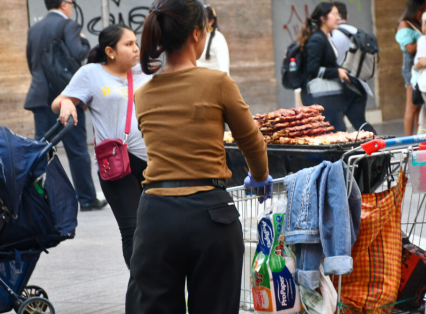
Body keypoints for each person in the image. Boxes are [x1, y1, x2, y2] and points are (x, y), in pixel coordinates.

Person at [125, 1, 271, 313]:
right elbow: (253, 143)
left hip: (156, 216)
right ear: (196, 34)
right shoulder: (217, 82)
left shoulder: (143, 93)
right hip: (211, 216)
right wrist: (260, 177)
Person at [52, 25, 151, 268]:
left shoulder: (146, 73)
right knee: (132, 231)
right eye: (128, 44)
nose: (136, 48)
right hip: (117, 165)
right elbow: (59, 101)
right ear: (110, 51)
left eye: (135, 43)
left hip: (153, 163)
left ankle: (156, 288)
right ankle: (141, 288)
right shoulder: (91, 74)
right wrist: (66, 103)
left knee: (156, 230)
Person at [25, 0, 106, 211]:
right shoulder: (69, 25)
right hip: (65, 96)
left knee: (39, 149)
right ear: (63, 5)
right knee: (77, 149)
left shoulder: (34, 28)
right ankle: (87, 198)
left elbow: (30, 61)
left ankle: (34, 199)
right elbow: (80, 54)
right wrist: (85, 42)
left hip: (40, 95)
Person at [299, 3, 350, 131]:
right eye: (334, 14)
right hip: (321, 99)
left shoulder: (325, 37)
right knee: (329, 136)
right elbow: (312, 69)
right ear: (323, 18)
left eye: (339, 14)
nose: (338, 18)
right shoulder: (317, 39)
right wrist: (336, 72)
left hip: (329, 100)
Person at [330, 1, 376, 133]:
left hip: (340, 85)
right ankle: (377, 147)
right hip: (359, 84)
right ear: (347, 16)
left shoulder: (332, 35)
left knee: (336, 125)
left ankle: (341, 153)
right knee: (360, 122)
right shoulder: (358, 33)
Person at [396, 0, 426, 136]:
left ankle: (418, 139)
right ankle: (408, 139)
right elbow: (409, 48)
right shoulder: (404, 24)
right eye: (421, 10)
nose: (422, 13)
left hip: (419, 68)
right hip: (411, 68)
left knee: (418, 106)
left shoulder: (416, 23)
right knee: (412, 106)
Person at [196, 4, 230, 74]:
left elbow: (224, 68)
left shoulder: (218, 39)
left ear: (211, 21)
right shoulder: (195, 36)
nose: (198, 22)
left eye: (202, 19)